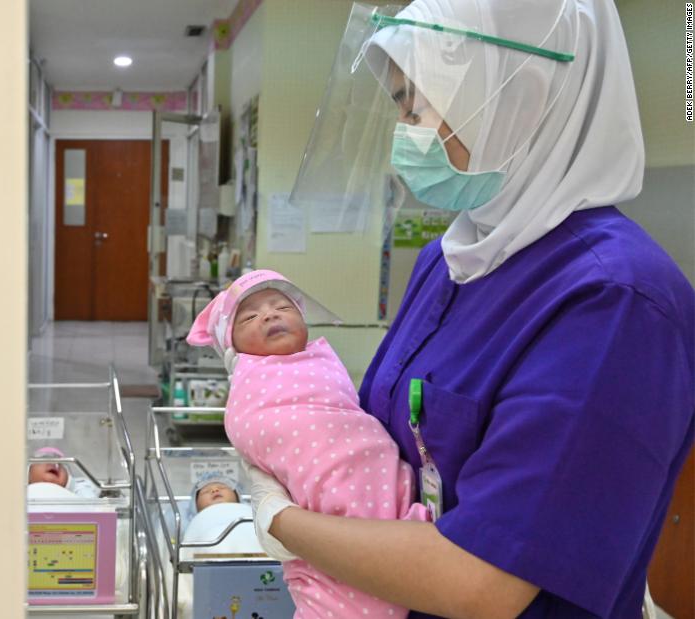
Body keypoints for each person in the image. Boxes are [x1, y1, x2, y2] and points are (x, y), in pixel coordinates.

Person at [249, 1, 695, 617]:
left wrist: (280, 519)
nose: (406, 130)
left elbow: (482, 583)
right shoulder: (451, 257)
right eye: (399, 105)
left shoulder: (614, 303)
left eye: (419, 104)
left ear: (523, 97)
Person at [188, 269, 427, 617]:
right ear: (233, 347)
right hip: (325, 511)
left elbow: (347, 412)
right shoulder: (252, 381)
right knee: (337, 588)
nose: (269, 314)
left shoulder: (321, 362)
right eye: (250, 317)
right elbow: (250, 427)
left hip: (379, 477)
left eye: (283, 307)